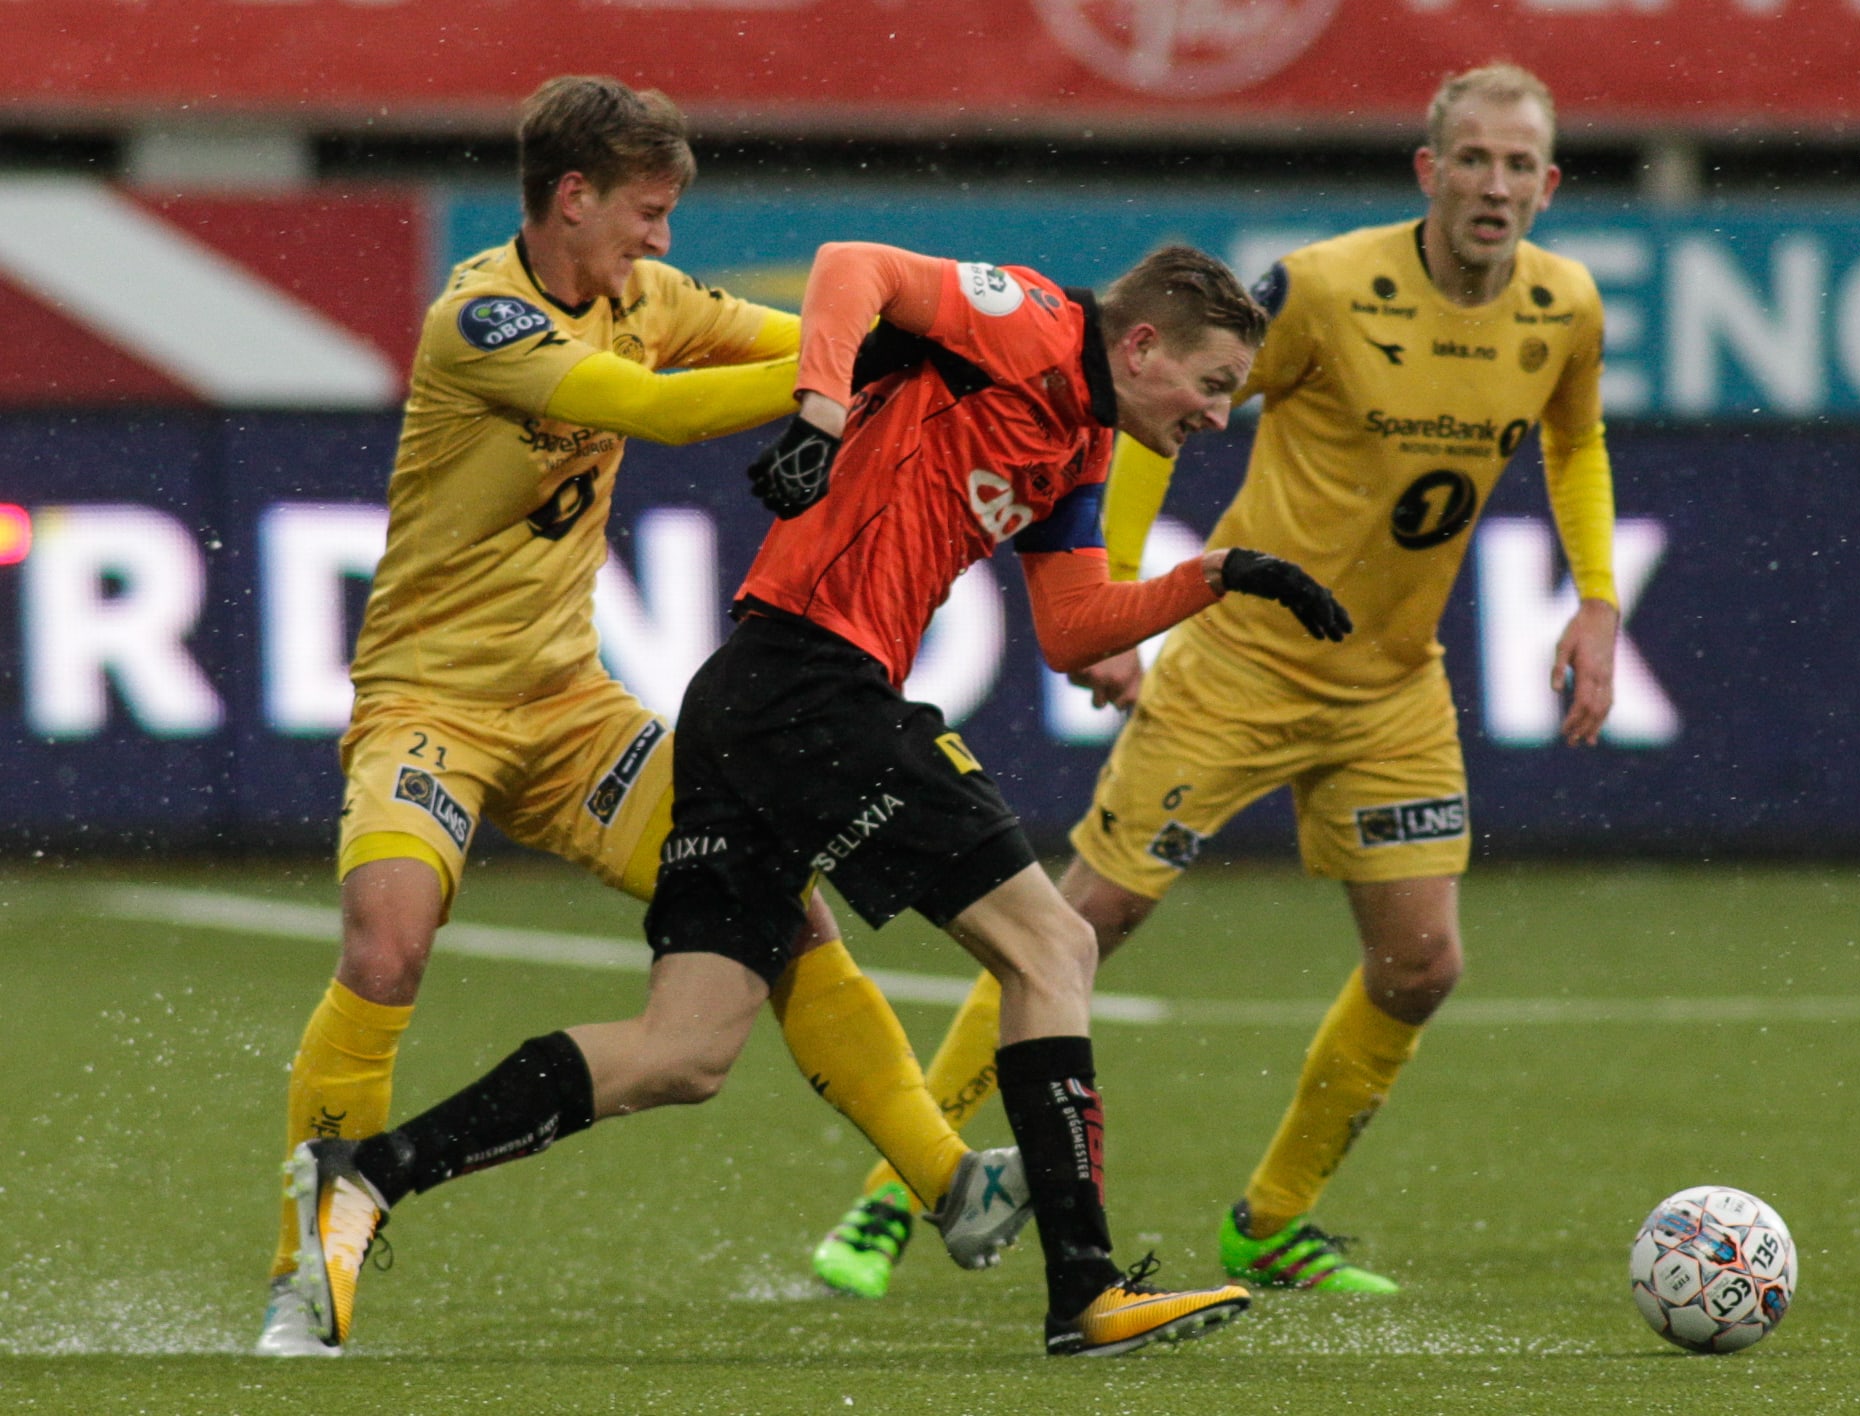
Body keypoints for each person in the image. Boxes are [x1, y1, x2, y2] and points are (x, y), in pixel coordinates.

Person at [284, 238, 1355, 1357]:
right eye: (1212, 384)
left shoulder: (1083, 439)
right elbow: (853, 266)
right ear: (1140, 346)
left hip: (753, 703)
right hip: (813, 687)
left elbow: (1071, 626)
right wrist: (823, 413)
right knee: (1054, 946)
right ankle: (1086, 1289)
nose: (1218, 415)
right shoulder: (1028, 317)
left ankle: (370, 1175)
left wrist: (1217, 577)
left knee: (685, 1050)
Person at [811, 61, 1620, 1299]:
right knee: (1081, 924)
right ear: (1430, 170)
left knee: (1422, 965)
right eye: (1473, 159)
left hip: (1392, 684)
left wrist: (1598, 596)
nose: (1494, 186)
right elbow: (1165, 404)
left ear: (1550, 185)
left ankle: (1272, 1221)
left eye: (1519, 165)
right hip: (1241, 661)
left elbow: (1575, 439)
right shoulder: (1330, 290)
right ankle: (901, 1187)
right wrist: (1114, 590)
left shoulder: (1566, 308)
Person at [257, 75, 996, 1356]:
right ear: (572, 198)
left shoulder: (649, 295)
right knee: (385, 952)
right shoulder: (479, 318)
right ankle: (304, 1268)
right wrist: (832, 385)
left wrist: (900, 346)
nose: (662, 239)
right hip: (432, 707)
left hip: (573, 711)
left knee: (780, 909)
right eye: (647, 213)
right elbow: (655, 410)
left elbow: (793, 336)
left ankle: (949, 1180)